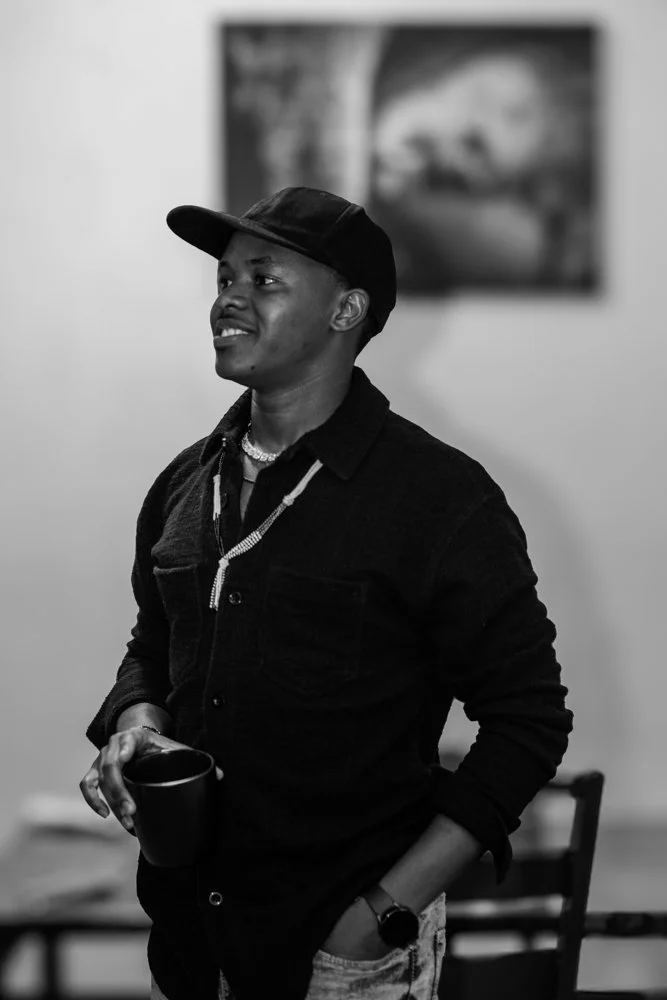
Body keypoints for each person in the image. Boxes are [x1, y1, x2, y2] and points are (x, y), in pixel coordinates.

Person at [80, 186, 573, 1000]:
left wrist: (382, 911)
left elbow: (528, 723)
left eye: (263, 279)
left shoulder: (439, 500)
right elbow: (152, 650)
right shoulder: (182, 487)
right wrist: (138, 727)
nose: (228, 297)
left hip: (348, 956)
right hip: (192, 947)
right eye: (224, 279)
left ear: (346, 310)